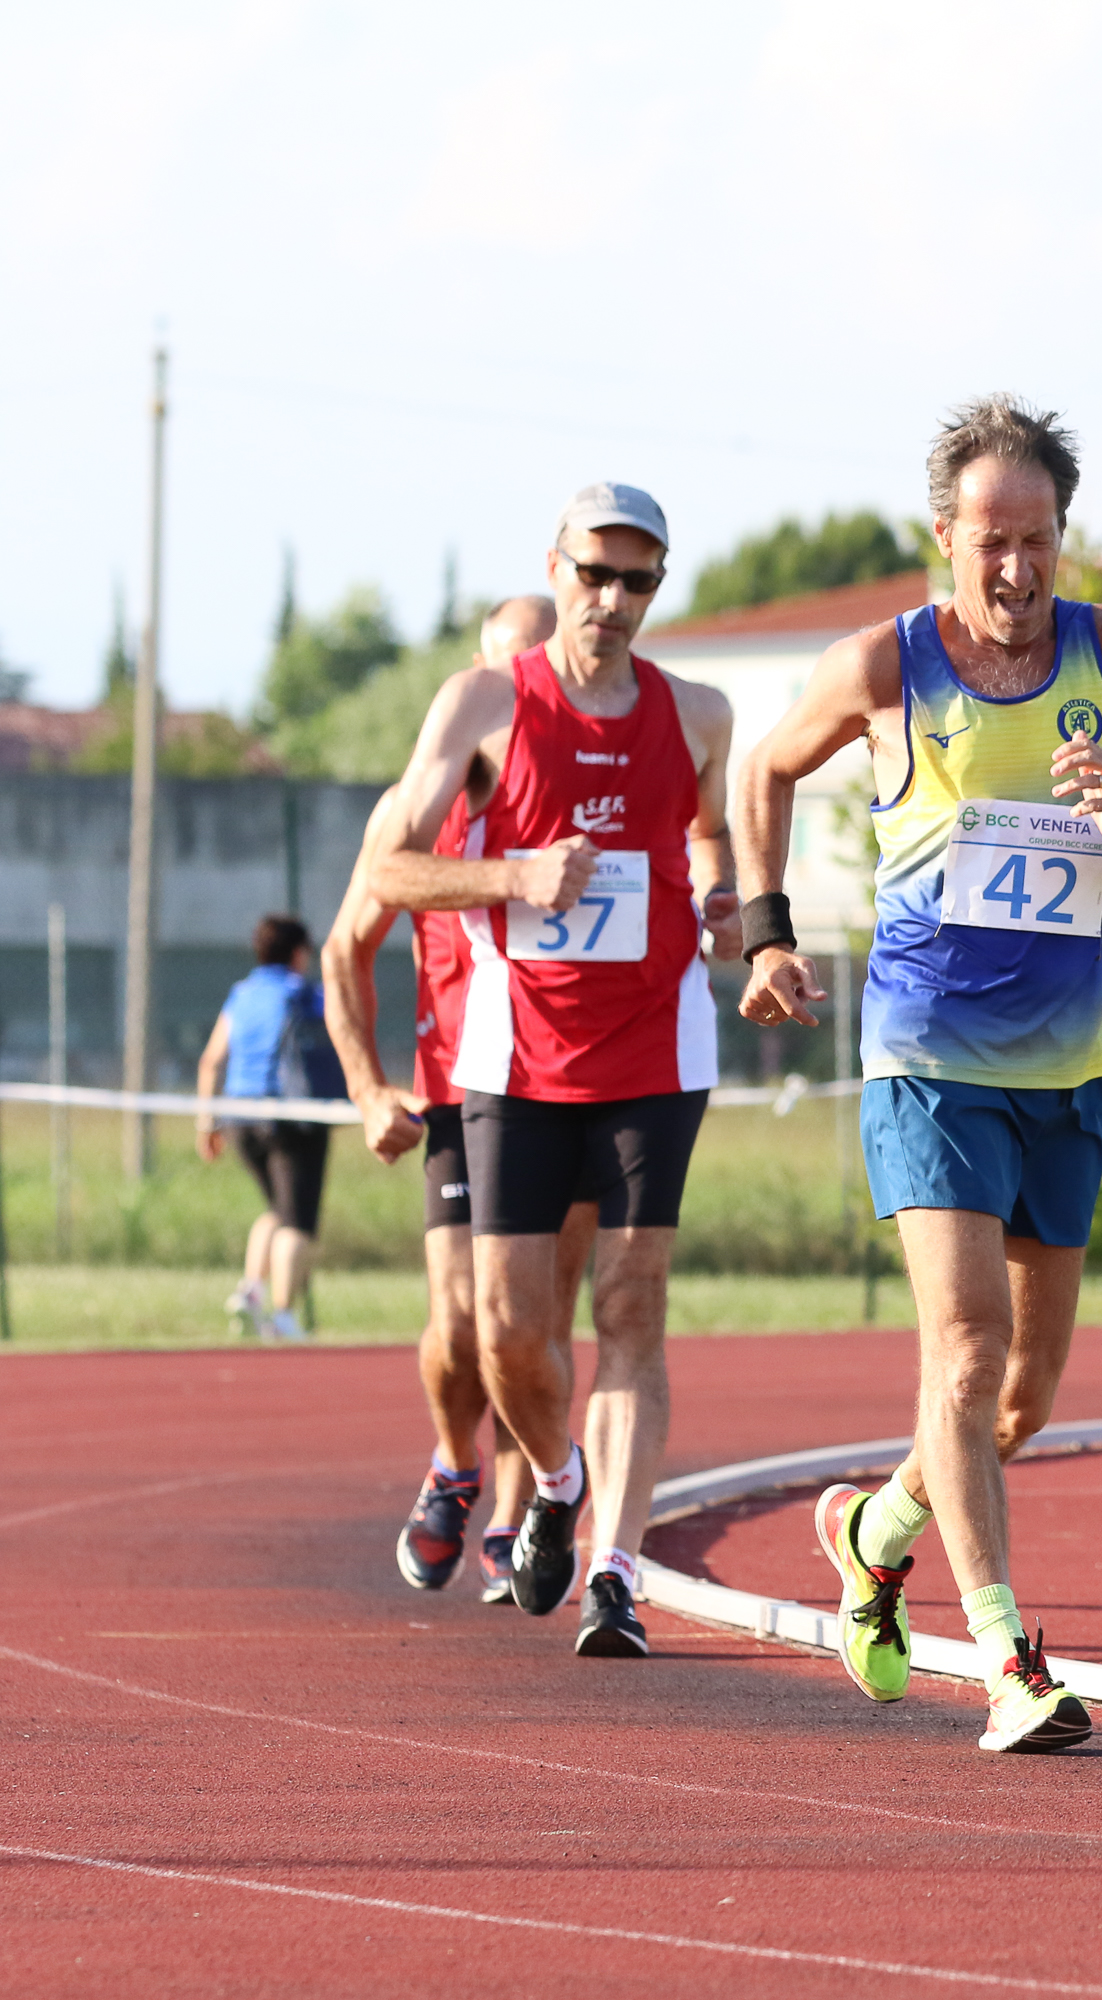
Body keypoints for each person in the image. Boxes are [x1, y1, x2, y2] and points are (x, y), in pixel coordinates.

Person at [736, 396, 1102, 1754]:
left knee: (1020, 1398)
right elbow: (761, 771)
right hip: (928, 1055)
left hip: (1070, 1067)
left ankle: (874, 1530)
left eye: (1039, 540)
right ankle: (1011, 1661)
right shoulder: (884, 665)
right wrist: (768, 932)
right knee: (963, 1353)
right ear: (944, 538)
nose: (1016, 569)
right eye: (991, 541)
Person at [371, 481, 741, 1658]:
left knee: (631, 1305)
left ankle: (615, 1575)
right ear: (557, 567)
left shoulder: (700, 714)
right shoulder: (484, 701)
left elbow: (711, 835)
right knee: (506, 1333)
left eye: (638, 580)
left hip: (656, 1043)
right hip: (513, 1051)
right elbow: (388, 872)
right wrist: (514, 876)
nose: (613, 599)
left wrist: (729, 905)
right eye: (595, 574)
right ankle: (557, 1474)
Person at [322, 594, 600, 1603]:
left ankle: (525, 1510)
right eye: (500, 674)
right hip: (457, 1086)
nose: (516, 696)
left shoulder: (597, 801)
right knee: (457, 1325)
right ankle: (454, 1464)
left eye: (536, 672)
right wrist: (366, 1089)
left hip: (574, 1081)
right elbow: (343, 951)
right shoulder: (417, 810)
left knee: (534, 1324)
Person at [197, 914, 349, 1344]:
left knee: (278, 1210)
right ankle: (282, 1316)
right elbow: (344, 1031)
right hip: (290, 1118)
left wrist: (207, 1122)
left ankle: (251, 1291)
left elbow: (211, 1061)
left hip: (239, 1118)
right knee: (297, 1223)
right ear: (299, 954)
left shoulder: (241, 994)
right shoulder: (302, 994)